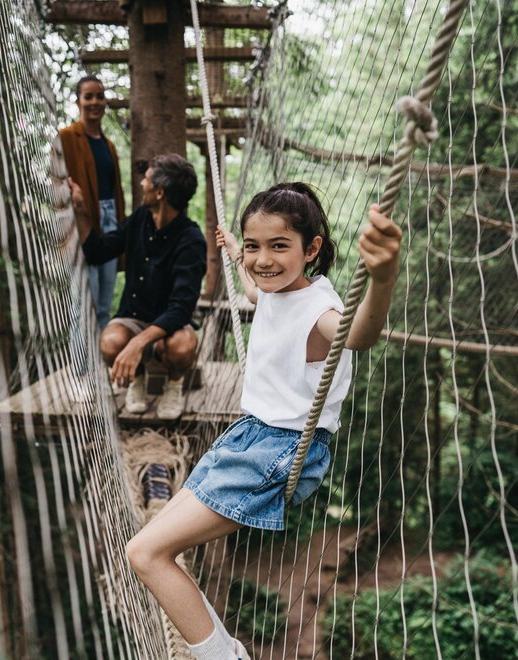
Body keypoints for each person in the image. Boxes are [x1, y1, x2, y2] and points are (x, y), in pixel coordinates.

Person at [123, 183, 403, 659]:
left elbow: (357, 334)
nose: (264, 259)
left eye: (279, 246)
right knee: (151, 544)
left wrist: (383, 278)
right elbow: (255, 289)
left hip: (279, 450)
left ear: (311, 249)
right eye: (256, 246)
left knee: (146, 554)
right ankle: (225, 648)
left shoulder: (320, 310)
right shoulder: (276, 287)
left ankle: (224, 656)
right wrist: (237, 252)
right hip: (246, 438)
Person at [70, 153, 205, 420]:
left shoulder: (191, 239)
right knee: (110, 342)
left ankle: (173, 385)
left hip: (171, 327)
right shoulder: (139, 219)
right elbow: (97, 251)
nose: (142, 184)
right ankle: (137, 380)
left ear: (160, 192)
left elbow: (181, 309)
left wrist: (137, 344)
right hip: (133, 317)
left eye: (146, 179)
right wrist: (80, 208)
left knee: (183, 346)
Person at [58, 74, 126, 329]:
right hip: (82, 220)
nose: (95, 102)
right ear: (78, 102)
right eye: (89, 97)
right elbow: (55, 182)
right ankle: (81, 357)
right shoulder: (66, 137)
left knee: (104, 304)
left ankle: (100, 353)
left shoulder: (109, 146)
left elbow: (115, 190)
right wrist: (72, 200)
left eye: (100, 96)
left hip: (110, 220)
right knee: (85, 303)